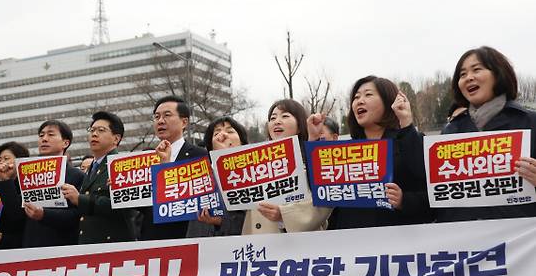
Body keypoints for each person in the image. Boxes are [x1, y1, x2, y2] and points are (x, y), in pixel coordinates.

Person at [312, 75, 432, 229]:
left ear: (389, 101)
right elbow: (319, 190)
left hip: (399, 242)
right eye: (356, 97)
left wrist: (404, 201)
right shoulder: (344, 152)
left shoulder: (409, 139)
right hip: (351, 243)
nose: (359, 101)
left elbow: (433, 195)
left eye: (368, 94)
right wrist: (314, 139)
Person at [439, 46, 536, 221]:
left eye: (477, 69)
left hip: (522, 241)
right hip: (467, 239)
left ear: (498, 74)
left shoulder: (529, 122)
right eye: (462, 74)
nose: (469, 77)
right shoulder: (451, 131)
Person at [241, 99, 331, 234]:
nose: (277, 121)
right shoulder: (254, 164)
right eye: (272, 118)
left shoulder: (311, 156)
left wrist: (285, 215)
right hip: (259, 246)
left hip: (300, 248)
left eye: (285, 116)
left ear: (300, 126)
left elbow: (326, 200)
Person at [0, 120, 85, 247]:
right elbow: (16, 214)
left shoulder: (77, 175)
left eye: (51, 135)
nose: (44, 139)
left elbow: (77, 216)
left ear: (65, 143)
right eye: (41, 135)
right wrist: (5, 181)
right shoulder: (27, 174)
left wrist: (44, 215)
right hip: (31, 246)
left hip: (63, 248)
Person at [140, 95, 208, 240]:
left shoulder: (200, 156)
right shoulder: (145, 159)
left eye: (167, 115)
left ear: (184, 122)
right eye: (156, 117)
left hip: (186, 238)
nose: (160, 121)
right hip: (150, 240)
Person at [62, 111, 134, 244]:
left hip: (112, 244)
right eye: (92, 130)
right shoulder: (92, 167)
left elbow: (122, 207)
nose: (94, 134)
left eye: (101, 130)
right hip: (90, 243)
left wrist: (79, 199)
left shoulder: (122, 165)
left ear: (116, 139)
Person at [185, 116, 248, 237]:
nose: (223, 135)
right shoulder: (198, 177)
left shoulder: (254, 173)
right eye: (216, 133)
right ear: (210, 147)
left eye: (230, 131)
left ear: (242, 142)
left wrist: (219, 222)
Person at [0, 141, 30, 249]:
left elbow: (16, 215)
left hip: (18, 247)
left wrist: (6, 180)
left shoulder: (29, 184)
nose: (2, 163)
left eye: (6, 159)